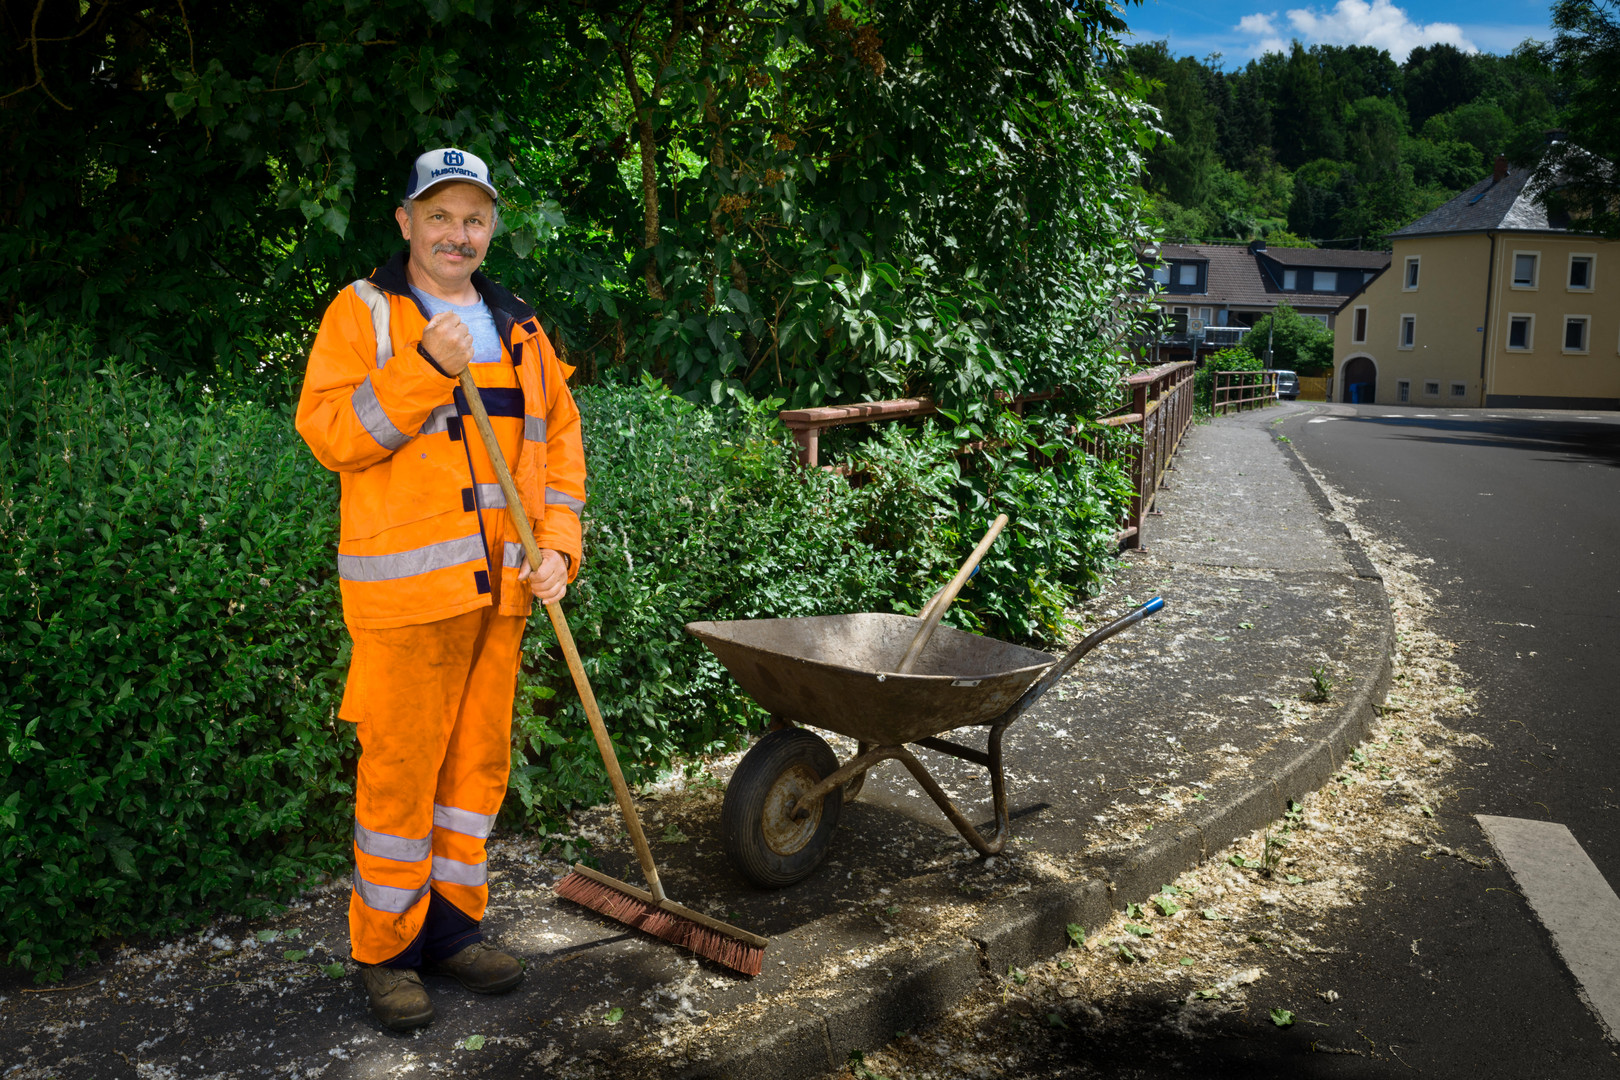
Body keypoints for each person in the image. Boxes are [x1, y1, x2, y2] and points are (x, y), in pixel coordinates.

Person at [296, 147, 586, 1031]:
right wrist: (424, 364)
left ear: (490, 229)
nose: (456, 234)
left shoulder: (523, 329)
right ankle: (386, 954)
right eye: (440, 216)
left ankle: (453, 934)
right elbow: (332, 434)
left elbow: (561, 453)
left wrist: (558, 549)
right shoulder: (366, 314)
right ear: (406, 223)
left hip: (503, 598)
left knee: (474, 776)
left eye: (473, 219)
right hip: (409, 607)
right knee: (399, 782)